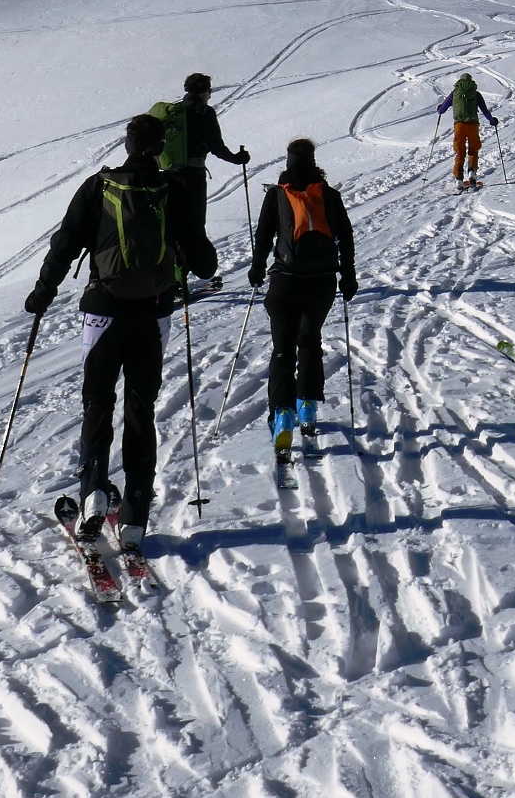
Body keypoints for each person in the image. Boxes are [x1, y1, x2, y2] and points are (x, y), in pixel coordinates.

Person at [24, 114, 217, 547]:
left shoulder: (99, 186)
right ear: (160, 147)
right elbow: (206, 263)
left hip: (102, 311)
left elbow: (65, 243)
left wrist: (43, 293)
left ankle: (93, 493)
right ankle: (134, 517)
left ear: (128, 143)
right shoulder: (175, 189)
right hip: (154, 313)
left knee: (97, 403)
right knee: (140, 409)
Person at [250, 138, 358, 476]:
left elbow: (264, 236)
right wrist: (348, 276)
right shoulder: (328, 194)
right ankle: (308, 407)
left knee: (283, 348)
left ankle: (282, 413)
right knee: (309, 340)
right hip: (322, 281)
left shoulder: (277, 194)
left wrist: (256, 269)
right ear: (313, 161)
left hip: (285, 281)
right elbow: (346, 236)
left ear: (288, 161)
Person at [157, 73, 249, 232]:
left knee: (173, 223)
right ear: (204, 91)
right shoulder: (204, 111)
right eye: (209, 91)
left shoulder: (173, 111)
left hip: (168, 174)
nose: (210, 95)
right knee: (194, 224)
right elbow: (216, 146)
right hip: (193, 176)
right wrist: (236, 159)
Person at [435, 73, 499, 190]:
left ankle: (459, 180)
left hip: (459, 125)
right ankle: (472, 175)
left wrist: (439, 108)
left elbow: (442, 110)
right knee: (473, 151)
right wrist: (492, 121)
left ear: (459, 82)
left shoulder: (455, 93)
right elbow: (484, 111)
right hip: (473, 125)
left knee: (460, 153)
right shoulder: (476, 94)